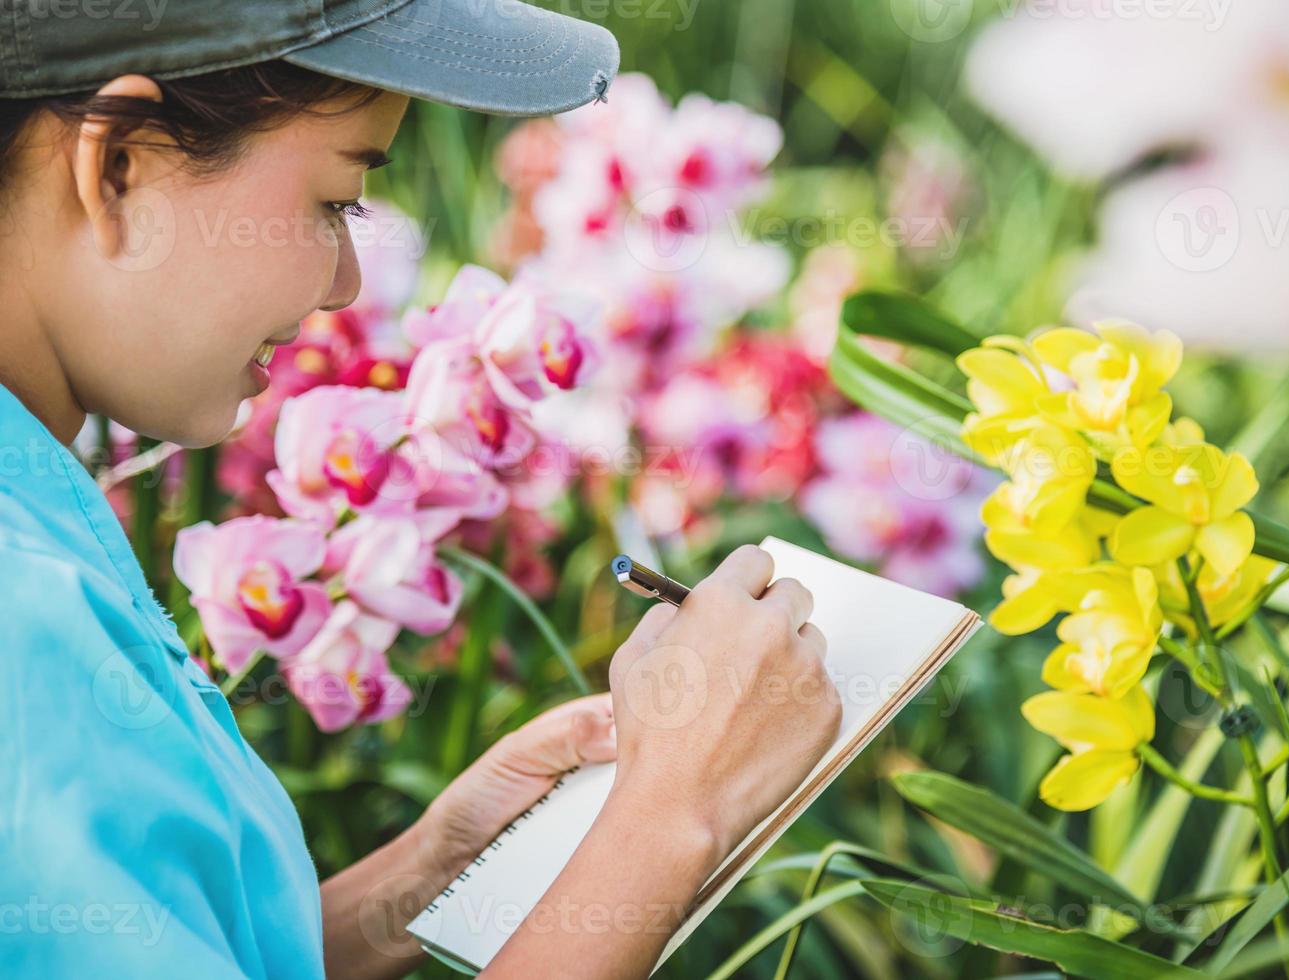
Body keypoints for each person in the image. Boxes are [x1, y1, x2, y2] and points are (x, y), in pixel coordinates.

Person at [0, 2, 842, 978]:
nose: (347, 284)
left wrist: (431, 868)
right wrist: (670, 817)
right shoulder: (25, 623)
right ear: (118, 168)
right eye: (337, 200)